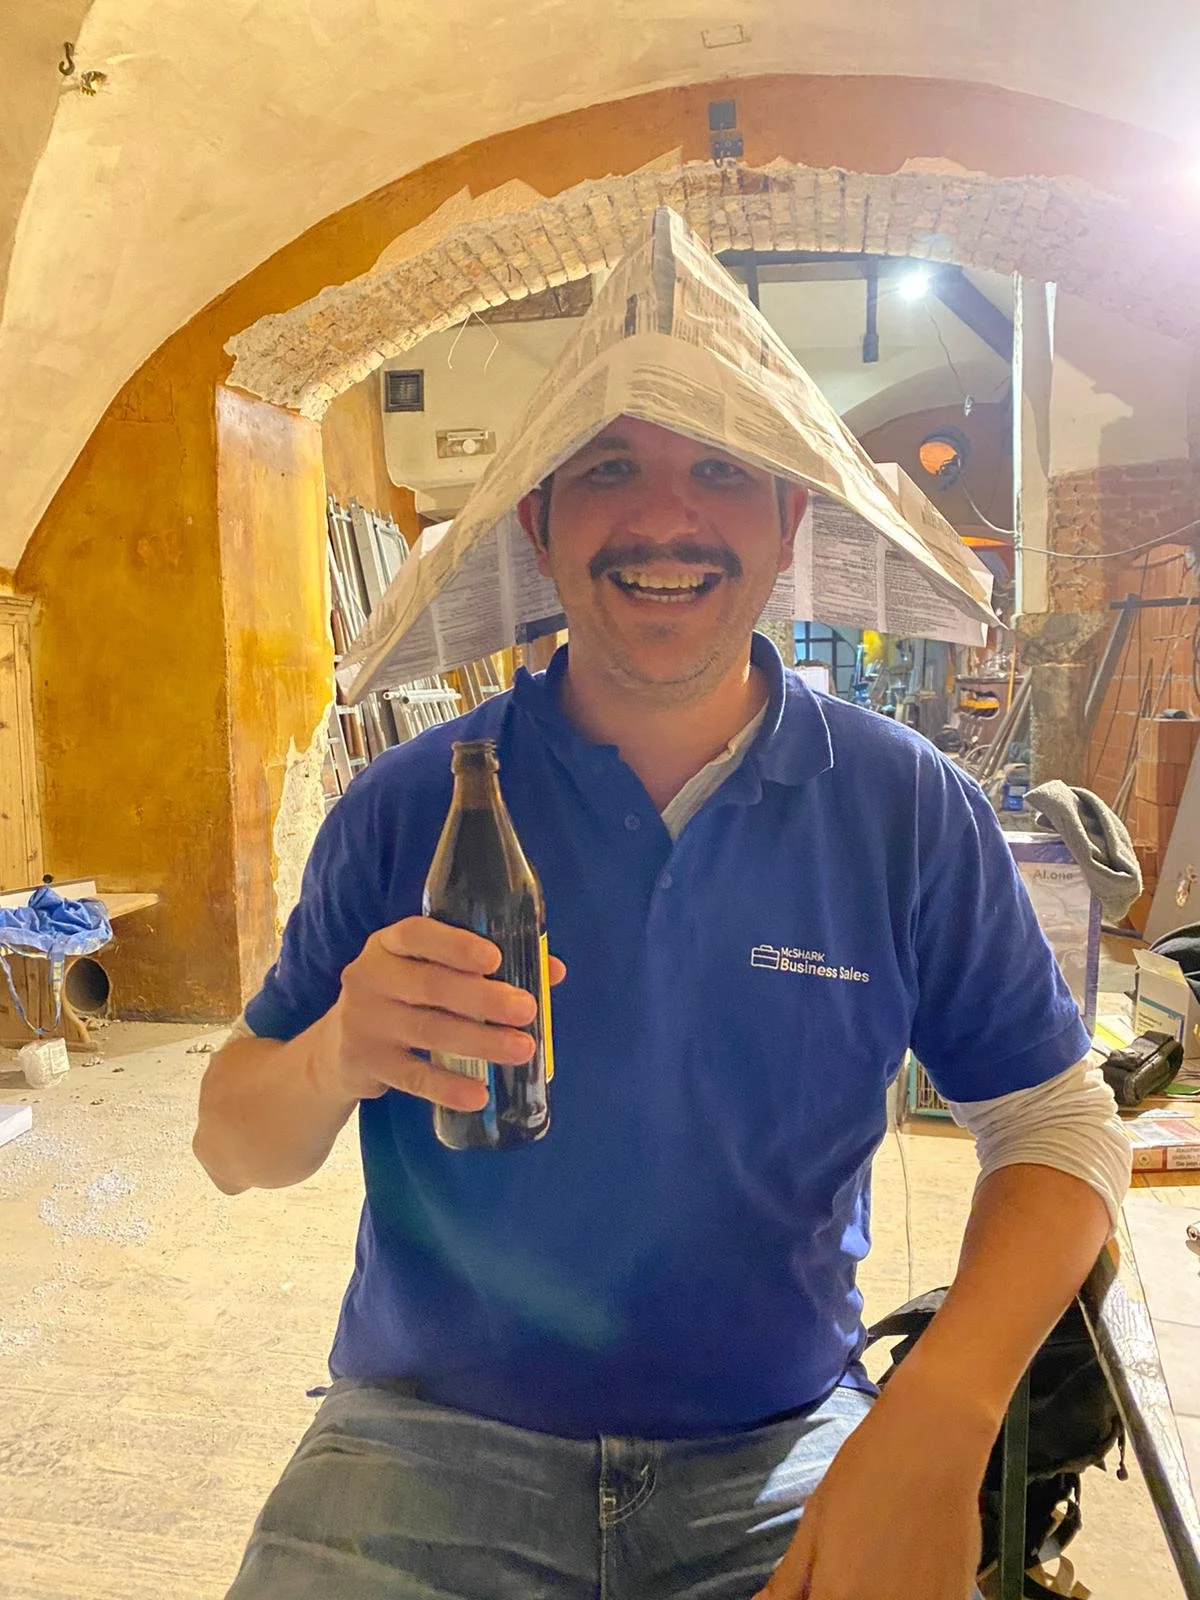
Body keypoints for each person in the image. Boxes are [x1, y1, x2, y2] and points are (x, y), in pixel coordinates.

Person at [194, 415, 1130, 1600]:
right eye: (610, 468)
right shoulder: (407, 807)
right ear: (538, 525)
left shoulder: (907, 810)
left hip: (778, 1445)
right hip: (423, 1450)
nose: (667, 517)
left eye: (723, 468)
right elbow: (230, 1145)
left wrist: (944, 1409)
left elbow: (1057, 1123)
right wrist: (335, 1053)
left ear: (789, 524)